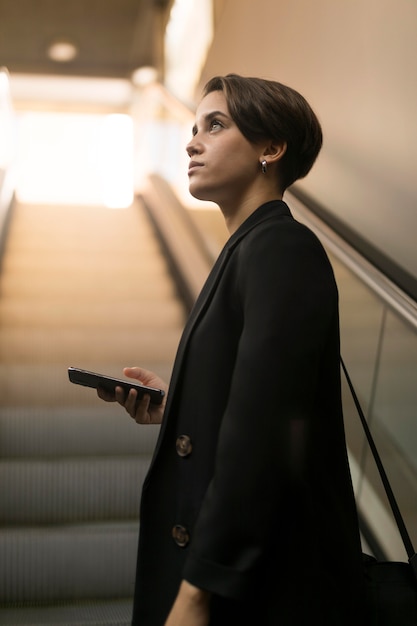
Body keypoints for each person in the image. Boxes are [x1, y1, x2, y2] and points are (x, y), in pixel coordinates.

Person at [98, 74, 367, 626]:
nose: (192, 142)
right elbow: (253, 400)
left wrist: (198, 592)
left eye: (215, 126)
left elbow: (268, 432)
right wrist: (177, 407)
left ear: (271, 148)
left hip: (257, 591)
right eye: (193, 128)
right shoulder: (247, 251)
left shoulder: (282, 248)